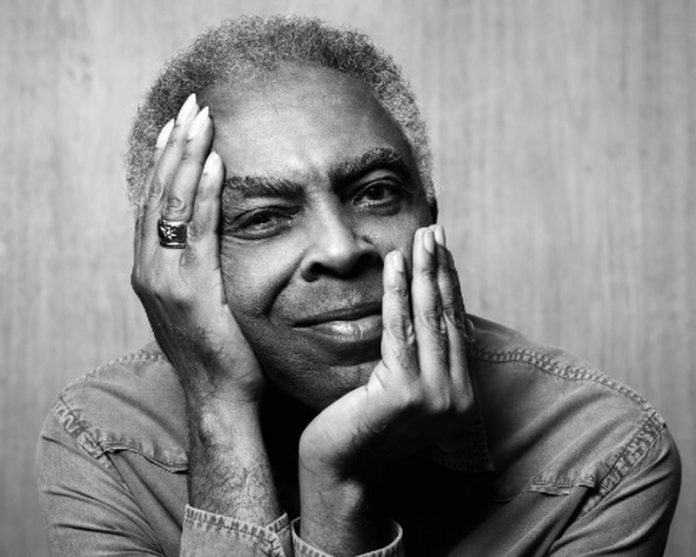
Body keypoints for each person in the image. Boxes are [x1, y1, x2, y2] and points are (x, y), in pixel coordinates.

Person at [36, 15, 680, 557]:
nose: (342, 249)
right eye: (263, 217)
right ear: (175, 262)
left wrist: (335, 484)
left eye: (375, 193)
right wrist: (219, 411)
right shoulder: (107, 439)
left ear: (430, 215)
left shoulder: (601, 456)